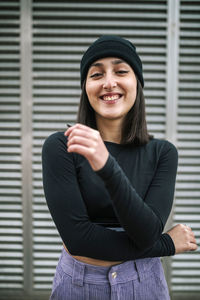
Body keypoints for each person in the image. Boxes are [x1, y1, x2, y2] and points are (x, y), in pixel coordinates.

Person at [42, 35, 197, 300]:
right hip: (79, 284)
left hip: (145, 283)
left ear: (137, 82)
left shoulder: (163, 153)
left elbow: (147, 232)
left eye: (121, 71)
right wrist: (166, 244)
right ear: (86, 88)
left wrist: (106, 166)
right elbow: (79, 239)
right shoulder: (62, 145)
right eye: (96, 74)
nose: (109, 82)